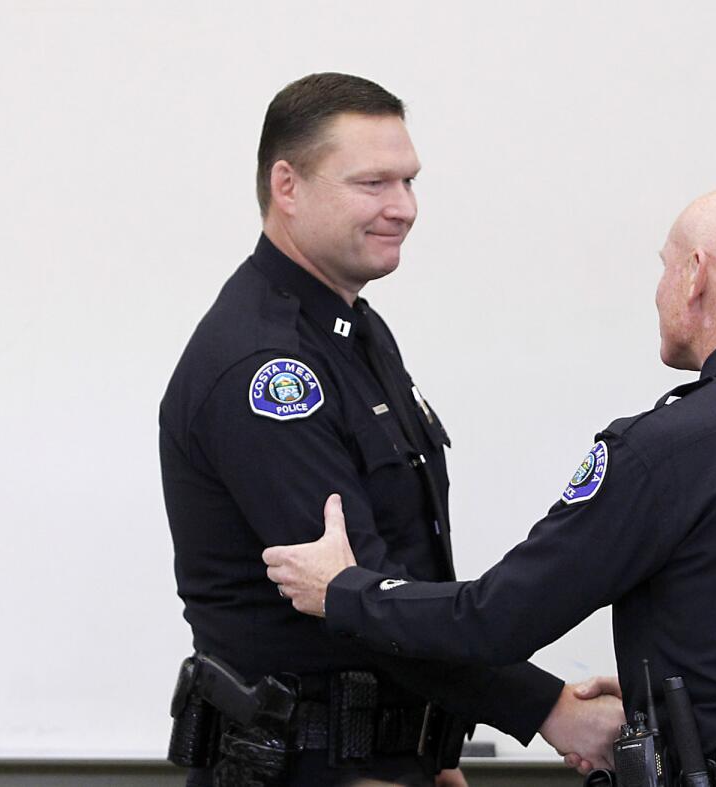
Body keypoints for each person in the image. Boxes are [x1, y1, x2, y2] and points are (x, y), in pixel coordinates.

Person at [265, 184, 716, 782]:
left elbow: (496, 620)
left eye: (664, 267)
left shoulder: (666, 450)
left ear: (695, 277)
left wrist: (345, 591)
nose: (658, 289)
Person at [159, 72, 622, 787]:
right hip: (304, 769)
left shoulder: (353, 331)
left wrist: (429, 752)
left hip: (380, 762)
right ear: (288, 185)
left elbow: (402, 578)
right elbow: (353, 596)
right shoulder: (269, 371)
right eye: (373, 183)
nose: (403, 207)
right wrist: (549, 707)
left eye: (408, 181)